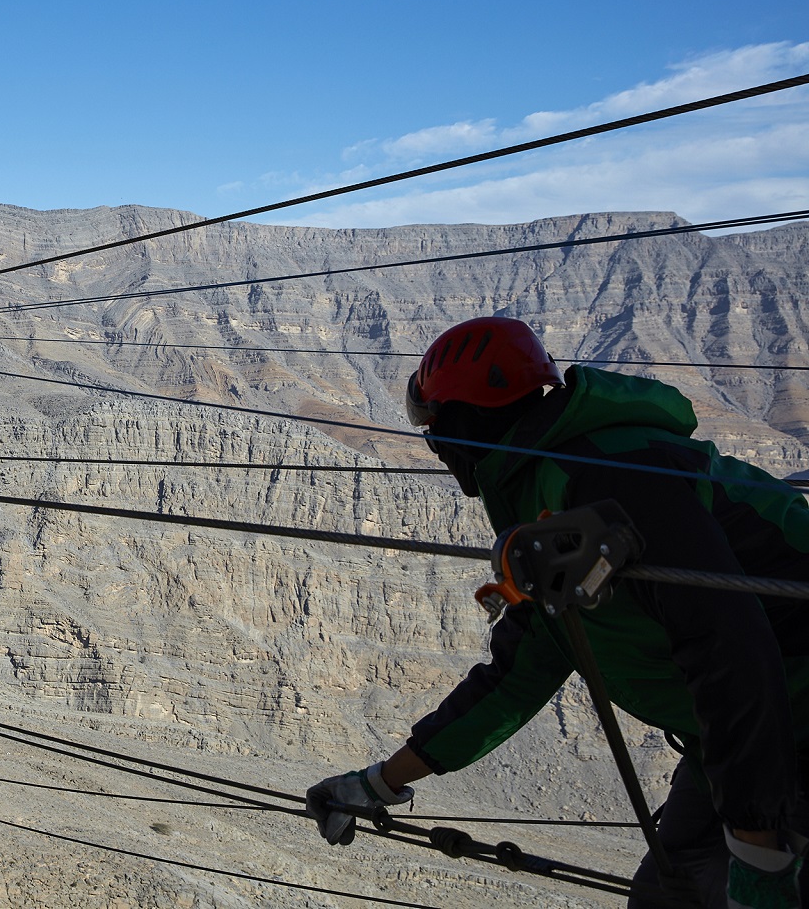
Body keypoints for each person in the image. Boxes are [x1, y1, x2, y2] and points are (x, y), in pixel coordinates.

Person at [306, 317, 809, 909]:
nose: (435, 445)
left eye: (437, 426)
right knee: (667, 893)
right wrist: (379, 783)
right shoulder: (544, 485)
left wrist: (757, 849)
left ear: (469, 421)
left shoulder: (609, 474)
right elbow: (519, 671)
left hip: (783, 728)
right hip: (735, 743)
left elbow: (730, 648)